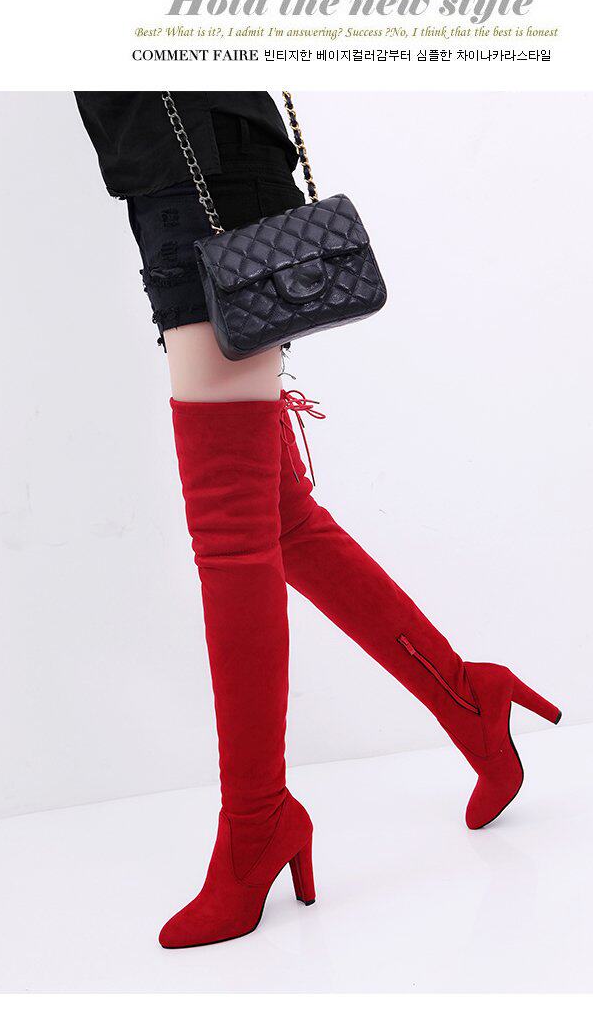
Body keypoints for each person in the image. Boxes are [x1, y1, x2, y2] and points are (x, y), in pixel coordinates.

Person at [76, 90, 562, 950]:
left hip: (204, 168)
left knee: (231, 532)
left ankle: (257, 821)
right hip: (177, 173)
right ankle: (468, 699)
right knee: (277, 516)